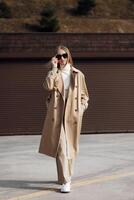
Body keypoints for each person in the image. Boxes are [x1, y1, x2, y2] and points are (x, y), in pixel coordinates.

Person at [39, 45, 89, 193]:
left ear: (69, 56)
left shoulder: (78, 74)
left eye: (64, 55)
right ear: (56, 58)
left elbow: (84, 96)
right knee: (60, 146)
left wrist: (81, 109)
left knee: (70, 148)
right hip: (56, 115)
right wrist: (53, 69)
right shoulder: (54, 73)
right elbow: (47, 87)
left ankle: (65, 175)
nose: (61, 59)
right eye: (58, 56)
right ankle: (66, 180)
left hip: (72, 115)